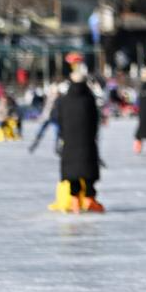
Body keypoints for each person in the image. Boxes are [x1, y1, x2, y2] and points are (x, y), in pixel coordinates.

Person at [51, 70, 103, 212]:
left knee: (72, 174)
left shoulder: (63, 100)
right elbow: (95, 120)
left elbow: (59, 120)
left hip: (69, 141)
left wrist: (63, 135)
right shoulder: (89, 99)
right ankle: (89, 200)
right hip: (87, 141)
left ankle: (75, 203)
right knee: (88, 172)